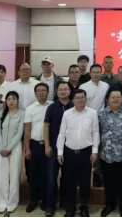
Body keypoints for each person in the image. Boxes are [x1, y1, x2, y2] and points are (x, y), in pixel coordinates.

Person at [57, 89, 100, 218]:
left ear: (86, 99)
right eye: (77, 98)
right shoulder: (67, 114)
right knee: (69, 182)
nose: (80, 100)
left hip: (86, 152)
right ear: (73, 100)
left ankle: (84, 207)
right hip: (69, 152)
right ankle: (70, 208)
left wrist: (95, 151)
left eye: (82, 98)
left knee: (85, 181)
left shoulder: (92, 113)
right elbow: (62, 133)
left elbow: (96, 132)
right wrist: (60, 152)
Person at [98, 90, 122, 218]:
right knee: (108, 182)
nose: (115, 99)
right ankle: (110, 205)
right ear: (108, 100)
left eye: (118, 97)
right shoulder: (101, 114)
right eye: (113, 97)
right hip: (106, 155)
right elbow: (97, 132)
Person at [44, 81, 73, 218]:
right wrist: (47, 145)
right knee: (51, 178)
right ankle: (50, 205)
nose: (63, 91)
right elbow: (46, 126)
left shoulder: (74, 106)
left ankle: (65, 203)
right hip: (54, 148)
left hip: (70, 149)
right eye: (60, 89)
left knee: (67, 178)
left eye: (65, 89)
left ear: (69, 91)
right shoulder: (51, 107)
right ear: (57, 92)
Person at [24, 83, 52, 213]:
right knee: (33, 174)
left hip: (48, 145)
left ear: (48, 92)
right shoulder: (30, 109)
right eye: (39, 90)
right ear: (35, 93)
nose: (41, 92)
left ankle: (43, 200)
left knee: (46, 174)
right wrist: (27, 148)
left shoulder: (52, 106)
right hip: (34, 145)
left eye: (44, 90)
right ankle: (33, 200)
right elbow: (27, 129)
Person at [0, 91, 25, 214]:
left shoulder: (22, 114)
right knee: (1, 177)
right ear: (6, 101)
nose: (11, 101)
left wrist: (9, 149)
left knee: (14, 176)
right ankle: (2, 203)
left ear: (17, 100)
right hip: (1, 149)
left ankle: (12, 203)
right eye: (9, 99)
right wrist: (2, 147)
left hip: (15, 148)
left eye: (14, 99)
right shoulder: (1, 114)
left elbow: (19, 133)